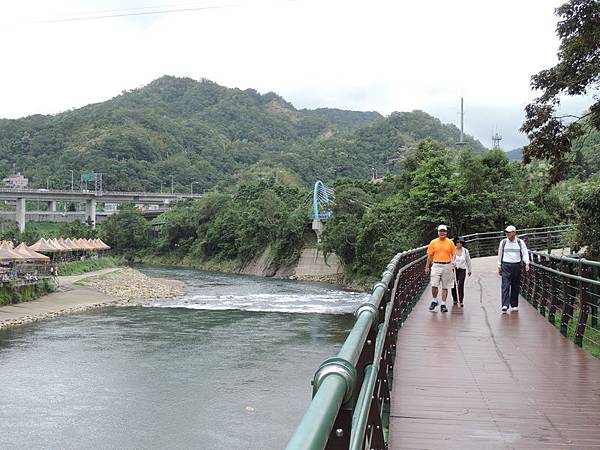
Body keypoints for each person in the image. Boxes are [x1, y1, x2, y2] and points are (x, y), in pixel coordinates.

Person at [497, 225, 529, 313]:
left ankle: (514, 304)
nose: (507, 234)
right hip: (506, 265)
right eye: (506, 232)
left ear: (514, 233)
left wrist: (527, 263)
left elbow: (525, 252)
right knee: (505, 285)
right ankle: (505, 304)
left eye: (509, 232)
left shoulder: (520, 242)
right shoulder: (503, 242)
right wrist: (499, 266)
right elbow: (500, 254)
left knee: (515, 285)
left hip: (516, 265)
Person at [425, 224, 456, 313]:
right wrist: (427, 266)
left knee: (445, 286)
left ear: (446, 232)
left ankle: (443, 304)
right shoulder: (433, 242)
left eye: (444, 231)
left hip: (447, 265)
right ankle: (435, 300)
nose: (442, 232)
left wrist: (453, 261)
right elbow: (429, 255)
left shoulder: (450, 242)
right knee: (434, 284)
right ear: (438, 232)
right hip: (436, 265)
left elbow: (453, 254)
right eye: (440, 231)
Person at [451, 236, 472, 307]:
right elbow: (450, 259)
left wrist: (469, 270)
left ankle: (461, 300)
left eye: (460, 242)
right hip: (454, 269)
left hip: (462, 269)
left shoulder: (465, 251)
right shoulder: (453, 250)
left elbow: (468, 261)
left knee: (461, 285)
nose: (459, 243)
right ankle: (455, 299)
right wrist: (452, 263)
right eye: (457, 242)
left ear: (462, 243)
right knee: (454, 285)